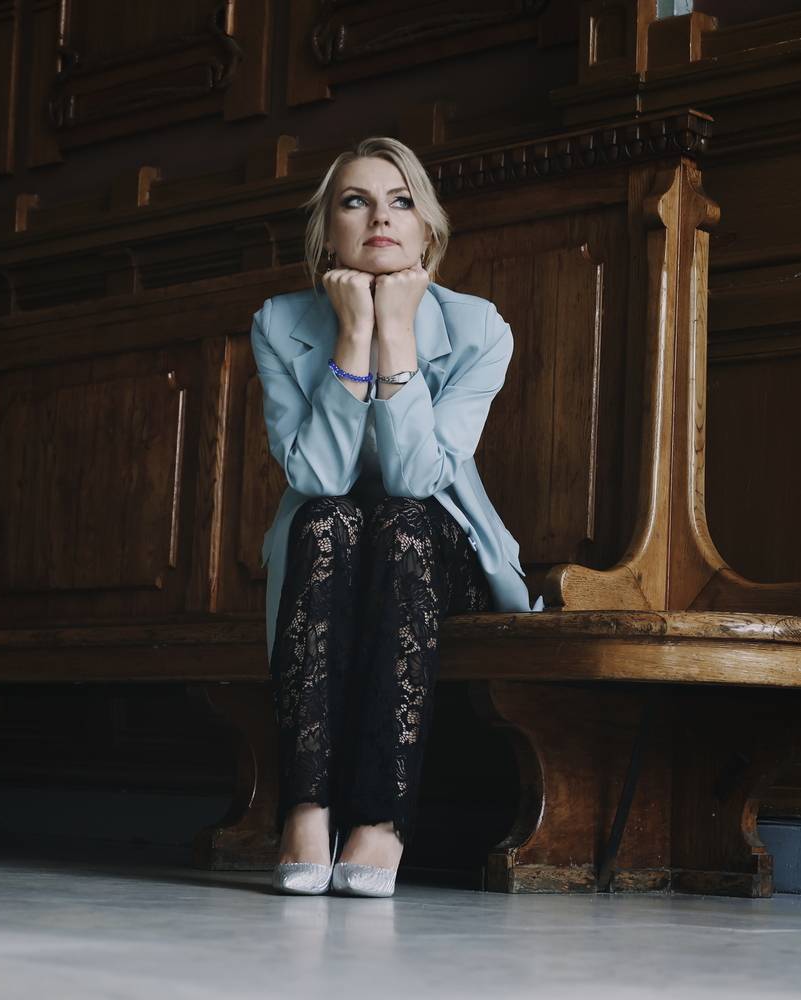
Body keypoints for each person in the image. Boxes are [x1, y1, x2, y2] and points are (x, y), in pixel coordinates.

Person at [249, 136, 542, 898]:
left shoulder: (481, 329)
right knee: (328, 520)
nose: (380, 217)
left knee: (401, 522)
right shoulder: (279, 324)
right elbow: (318, 476)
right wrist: (354, 335)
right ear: (328, 234)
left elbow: (416, 478)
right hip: (329, 553)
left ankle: (381, 821)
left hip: (435, 554)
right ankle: (306, 811)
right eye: (356, 202)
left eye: (401, 201)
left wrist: (397, 333)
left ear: (427, 232)